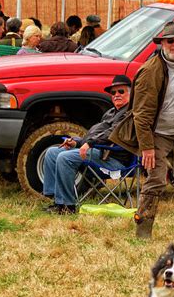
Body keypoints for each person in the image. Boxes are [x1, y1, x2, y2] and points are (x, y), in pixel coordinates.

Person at [110, 22, 174, 240]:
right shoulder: (151, 70)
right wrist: (147, 147)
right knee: (156, 180)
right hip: (157, 134)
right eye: (171, 41)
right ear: (162, 44)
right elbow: (141, 115)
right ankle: (144, 230)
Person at [42, 75, 132, 214]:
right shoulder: (110, 113)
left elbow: (112, 134)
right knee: (52, 153)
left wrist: (90, 143)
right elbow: (95, 134)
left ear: (131, 94)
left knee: (65, 158)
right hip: (98, 151)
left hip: (111, 158)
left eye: (121, 91)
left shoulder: (129, 114)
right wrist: (76, 142)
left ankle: (67, 207)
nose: (116, 95)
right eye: (113, 93)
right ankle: (56, 198)